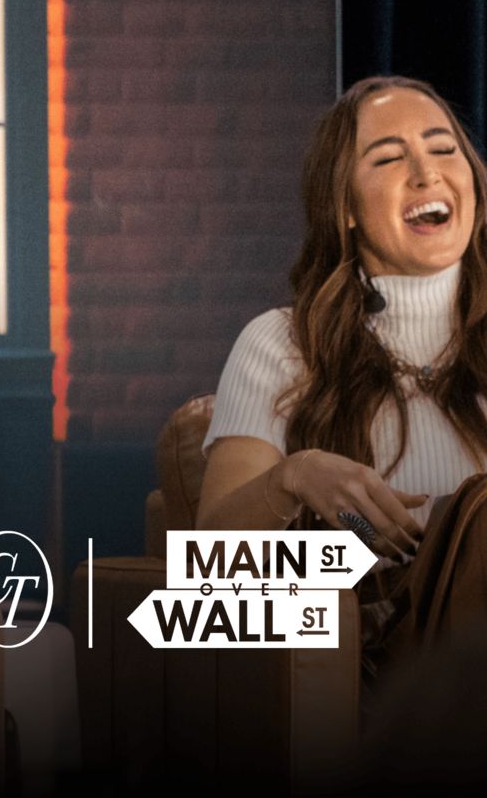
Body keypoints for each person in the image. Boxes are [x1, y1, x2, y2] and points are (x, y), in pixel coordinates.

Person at [199, 75, 487, 654]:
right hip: (383, 656)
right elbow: (209, 578)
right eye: (388, 158)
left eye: (442, 148)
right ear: (345, 208)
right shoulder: (283, 343)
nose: (427, 173)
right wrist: (294, 477)